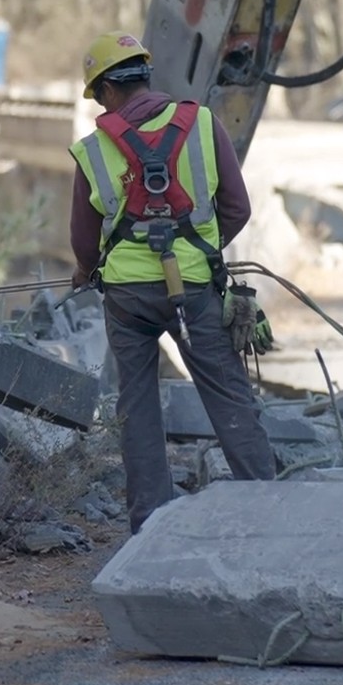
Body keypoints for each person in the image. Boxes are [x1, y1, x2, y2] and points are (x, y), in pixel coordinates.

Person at [68, 30, 276, 533]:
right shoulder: (203, 124)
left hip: (127, 300)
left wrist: (87, 269)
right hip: (197, 291)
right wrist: (201, 248)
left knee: (136, 407)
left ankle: (150, 529)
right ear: (144, 75)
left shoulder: (93, 151)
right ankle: (270, 514)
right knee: (229, 396)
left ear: (107, 91)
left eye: (98, 95)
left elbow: (83, 241)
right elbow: (238, 209)